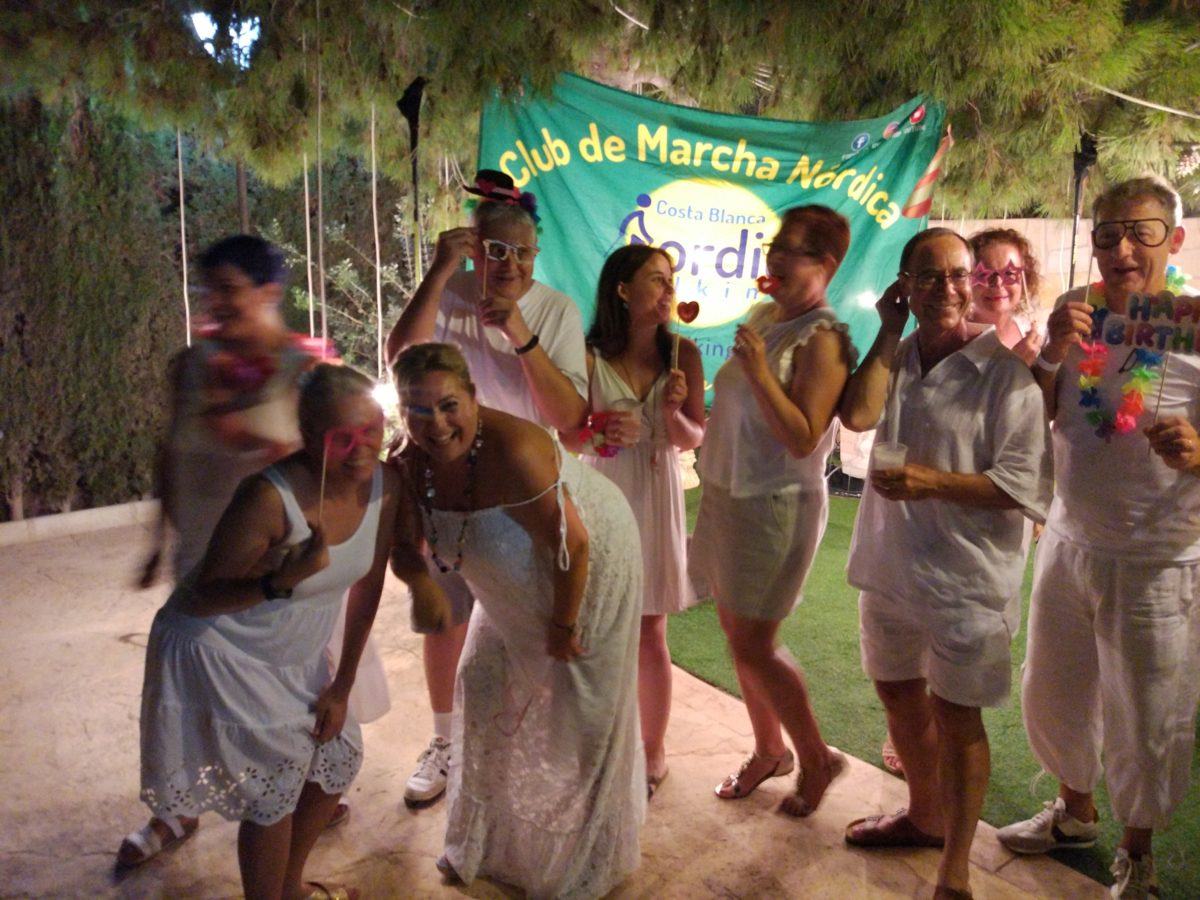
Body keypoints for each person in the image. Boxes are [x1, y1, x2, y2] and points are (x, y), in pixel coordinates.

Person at [119, 235, 384, 867]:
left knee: (287, 691)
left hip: (283, 564)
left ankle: (294, 787)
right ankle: (178, 807)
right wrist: (157, 537)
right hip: (203, 557)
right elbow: (170, 451)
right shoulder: (192, 367)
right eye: (208, 288)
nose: (215, 300)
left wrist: (263, 446)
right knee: (199, 684)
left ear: (269, 291)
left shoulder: (307, 372)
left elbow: (338, 464)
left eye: (230, 288)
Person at [138, 364, 424, 900]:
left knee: (337, 759)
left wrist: (343, 685)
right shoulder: (267, 498)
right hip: (224, 646)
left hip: (295, 648)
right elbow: (202, 597)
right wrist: (280, 580)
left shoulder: (386, 484)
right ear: (310, 437)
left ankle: (288, 887)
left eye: (372, 430)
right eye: (343, 438)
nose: (361, 450)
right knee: (274, 791)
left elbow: (367, 587)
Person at [997, 176, 1199, 900]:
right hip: (1068, 537)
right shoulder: (1076, 312)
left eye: (1142, 232)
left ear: (1175, 240)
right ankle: (1074, 814)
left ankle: (1137, 853)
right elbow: (1034, 415)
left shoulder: (1194, 323)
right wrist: (1052, 352)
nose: (1122, 249)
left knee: (1148, 712)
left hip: (1156, 557)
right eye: (1108, 234)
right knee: (1054, 689)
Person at [839, 227, 1052, 900]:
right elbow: (858, 414)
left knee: (958, 718)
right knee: (898, 693)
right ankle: (923, 815)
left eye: (959, 275)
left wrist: (932, 482)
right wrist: (887, 328)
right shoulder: (899, 354)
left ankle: (955, 868)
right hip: (890, 564)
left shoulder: (1005, 376)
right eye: (928, 276)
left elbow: (1022, 486)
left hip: (967, 580)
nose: (948, 289)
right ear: (904, 285)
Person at [391, 343, 644, 898]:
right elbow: (405, 547)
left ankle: (588, 862)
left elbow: (575, 545)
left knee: (583, 710)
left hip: (588, 567)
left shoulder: (515, 449)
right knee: (480, 682)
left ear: (473, 397)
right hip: (508, 575)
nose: (436, 425)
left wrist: (562, 626)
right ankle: (482, 842)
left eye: (449, 405)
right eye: (418, 410)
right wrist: (421, 586)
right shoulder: (409, 463)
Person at [385, 171, 588, 807]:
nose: (510, 264)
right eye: (496, 249)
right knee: (445, 617)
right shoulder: (449, 295)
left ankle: (523, 747)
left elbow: (568, 416)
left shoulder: (555, 310)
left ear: (537, 254)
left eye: (523, 252)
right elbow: (402, 357)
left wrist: (521, 335)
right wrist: (439, 272)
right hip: (446, 483)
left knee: (523, 622)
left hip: (522, 488)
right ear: (474, 247)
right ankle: (444, 742)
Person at [689, 205, 856, 817]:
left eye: (792, 250)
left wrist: (760, 372)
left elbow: (804, 438)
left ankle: (815, 758)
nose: (775, 258)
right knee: (737, 634)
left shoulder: (824, 338)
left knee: (757, 643)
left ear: (826, 264)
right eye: (774, 246)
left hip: (776, 507)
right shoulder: (766, 316)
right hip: (728, 495)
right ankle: (769, 751)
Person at [572, 244, 706, 796]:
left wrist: (672, 413)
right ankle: (600, 741)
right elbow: (565, 434)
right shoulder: (586, 355)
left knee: (652, 628)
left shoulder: (683, 353)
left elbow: (693, 438)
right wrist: (597, 432)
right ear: (623, 290)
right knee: (597, 624)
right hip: (601, 490)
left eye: (671, 280)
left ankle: (653, 749)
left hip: (655, 490)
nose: (669, 290)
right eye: (657, 280)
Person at [968, 227, 1044, 364]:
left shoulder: (1030, 333)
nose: (998, 283)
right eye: (984, 274)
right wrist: (1013, 365)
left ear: (1024, 278)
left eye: (1009, 273)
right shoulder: (954, 338)